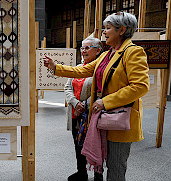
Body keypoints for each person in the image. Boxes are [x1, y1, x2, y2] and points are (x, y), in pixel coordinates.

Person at [44, 11, 149, 181]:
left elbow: (140, 87)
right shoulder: (109, 54)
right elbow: (83, 70)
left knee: (115, 167)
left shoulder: (133, 52)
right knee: (103, 161)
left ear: (121, 30)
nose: (104, 32)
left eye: (108, 28)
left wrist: (105, 102)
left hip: (120, 120)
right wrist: (55, 67)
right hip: (104, 118)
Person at [65, 37, 103, 181]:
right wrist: (75, 103)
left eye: (87, 48)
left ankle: (97, 175)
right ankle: (82, 172)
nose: (83, 51)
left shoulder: (99, 69)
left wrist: (85, 104)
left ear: (98, 50)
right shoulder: (78, 67)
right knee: (78, 145)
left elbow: (101, 91)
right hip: (76, 113)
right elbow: (67, 87)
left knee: (95, 145)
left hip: (91, 114)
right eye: (82, 48)